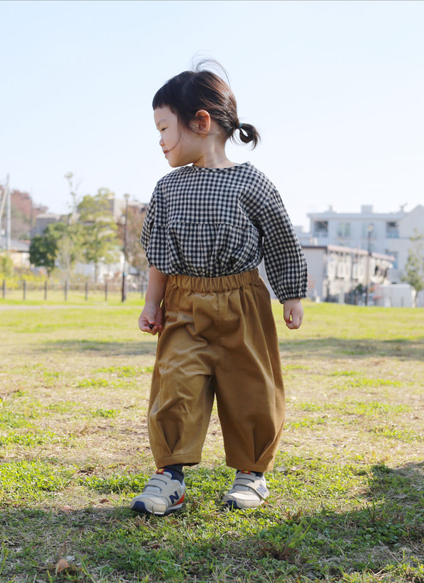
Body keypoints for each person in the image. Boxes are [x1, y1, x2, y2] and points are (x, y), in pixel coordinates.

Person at [130, 63, 308, 515]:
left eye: (165, 127)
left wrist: (291, 294)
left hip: (242, 303)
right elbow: (158, 254)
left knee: (251, 386)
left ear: (201, 122)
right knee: (175, 382)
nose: (160, 139)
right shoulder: (168, 188)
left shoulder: (251, 182)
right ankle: (169, 477)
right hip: (184, 303)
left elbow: (281, 241)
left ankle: (251, 473)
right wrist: (152, 302)